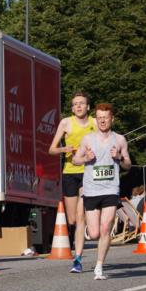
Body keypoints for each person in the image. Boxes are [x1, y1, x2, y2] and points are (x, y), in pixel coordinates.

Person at [71, 103, 132, 280]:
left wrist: (118, 157)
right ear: (96, 119)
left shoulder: (120, 140)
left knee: (106, 228)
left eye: (105, 117)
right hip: (91, 190)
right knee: (94, 233)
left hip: (111, 189)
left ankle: (99, 266)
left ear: (112, 119)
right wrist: (85, 158)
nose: (102, 121)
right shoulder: (88, 139)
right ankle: (88, 234)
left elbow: (128, 164)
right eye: (99, 118)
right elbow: (75, 160)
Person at [49, 92, 95, 274]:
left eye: (82, 103)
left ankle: (78, 258)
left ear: (88, 107)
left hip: (88, 172)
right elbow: (51, 149)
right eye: (75, 104)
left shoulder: (94, 123)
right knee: (73, 219)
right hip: (69, 172)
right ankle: (86, 226)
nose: (78, 106)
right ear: (72, 108)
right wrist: (64, 149)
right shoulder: (66, 123)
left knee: (80, 215)